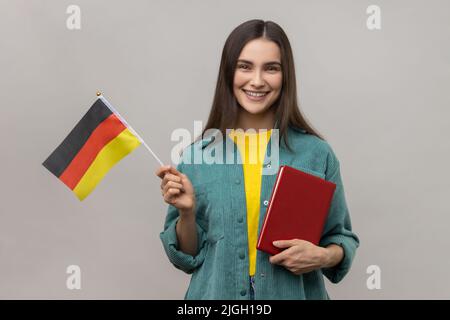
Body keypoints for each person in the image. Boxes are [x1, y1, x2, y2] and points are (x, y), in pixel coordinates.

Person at [156, 19, 359, 300]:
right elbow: (185, 257)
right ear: (229, 72)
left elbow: (342, 238)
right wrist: (187, 214)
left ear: (285, 76)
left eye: (271, 68)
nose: (257, 80)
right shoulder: (197, 157)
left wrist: (322, 255)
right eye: (245, 66)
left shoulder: (316, 153)